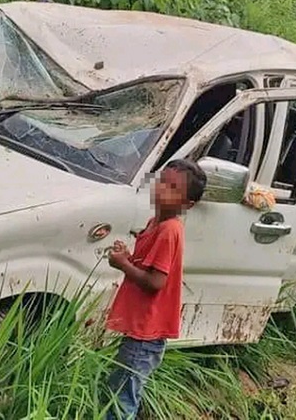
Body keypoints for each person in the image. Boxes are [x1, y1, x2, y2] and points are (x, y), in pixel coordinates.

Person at [104, 159, 207, 420]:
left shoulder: (169, 230)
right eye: (162, 181)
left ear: (188, 204)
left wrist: (123, 265)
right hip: (141, 330)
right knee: (117, 387)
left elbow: (155, 283)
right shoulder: (155, 223)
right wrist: (129, 257)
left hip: (146, 335)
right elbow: (148, 267)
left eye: (173, 188)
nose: (162, 190)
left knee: (122, 399)